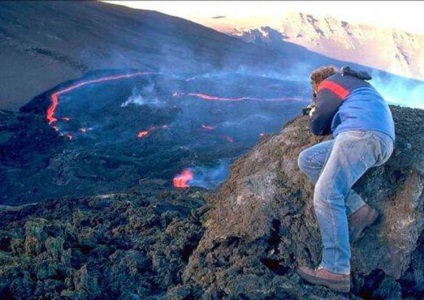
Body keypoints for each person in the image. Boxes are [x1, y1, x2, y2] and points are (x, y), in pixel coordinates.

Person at [296, 65, 395, 293]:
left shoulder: (330, 84)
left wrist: (315, 108)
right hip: (376, 138)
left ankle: (335, 270)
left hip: (361, 135)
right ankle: (359, 210)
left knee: (326, 195)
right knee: (308, 159)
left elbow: (317, 125)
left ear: (318, 85)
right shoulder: (357, 84)